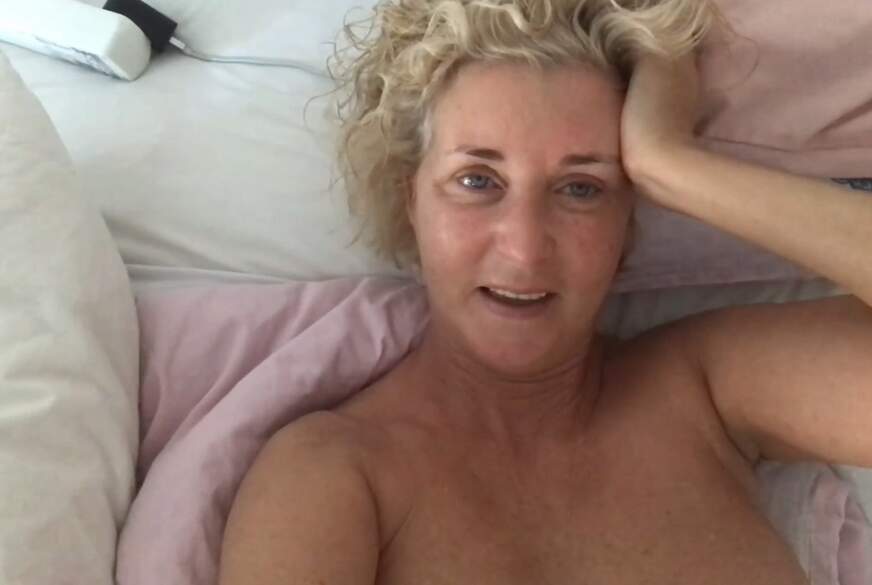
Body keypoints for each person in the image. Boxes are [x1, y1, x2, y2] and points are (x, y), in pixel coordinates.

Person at [218, 0, 872, 583]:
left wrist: (668, 162)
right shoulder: (335, 477)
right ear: (408, 198)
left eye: (582, 188)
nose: (526, 249)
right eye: (477, 181)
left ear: (628, 223)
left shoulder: (703, 390)